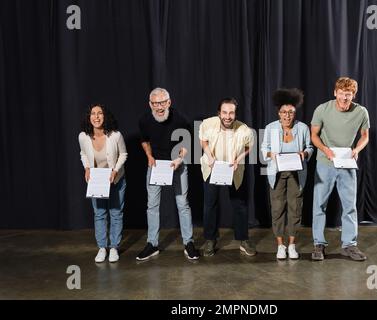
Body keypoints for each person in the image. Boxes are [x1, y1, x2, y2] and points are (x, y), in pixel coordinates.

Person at [136, 88, 200, 261]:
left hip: (176, 163)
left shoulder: (180, 118)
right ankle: (152, 244)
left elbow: (188, 140)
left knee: (182, 203)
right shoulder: (145, 119)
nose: (159, 107)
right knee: (152, 205)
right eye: (155, 103)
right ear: (150, 104)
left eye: (163, 103)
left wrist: (180, 158)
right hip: (156, 165)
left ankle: (189, 243)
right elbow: (144, 140)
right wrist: (149, 156)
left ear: (169, 103)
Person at [310, 77, 370, 261]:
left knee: (350, 206)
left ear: (354, 95)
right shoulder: (322, 109)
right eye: (342, 94)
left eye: (349, 94)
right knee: (319, 205)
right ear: (335, 93)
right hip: (325, 162)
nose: (345, 98)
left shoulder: (361, 112)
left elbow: (365, 136)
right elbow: (314, 135)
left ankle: (349, 245)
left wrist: (357, 150)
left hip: (347, 163)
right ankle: (318, 244)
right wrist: (325, 149)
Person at [261, 88, 314, 260]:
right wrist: (271, 155)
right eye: (284, 112)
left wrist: (304, 154)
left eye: (291, 112)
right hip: (276, 174)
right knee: (277, 209)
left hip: (296, 175)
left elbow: (310, 148)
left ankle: (291, 245)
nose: (287, 116)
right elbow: (264, 149)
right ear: (278, 113)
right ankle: (280, 245)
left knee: (295, 208)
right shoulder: (270, 128)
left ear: (295, 112)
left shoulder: (303, 128)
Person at [199, 97, 256, 257]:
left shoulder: (244, 130)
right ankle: (210, 240)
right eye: (224, 112)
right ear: (219, 113)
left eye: (231, 113)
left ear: (235, 114)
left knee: (240, 205)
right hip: (212, 168)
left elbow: (248, 147)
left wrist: (239, 159)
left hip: (234, 169)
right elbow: (203, 140)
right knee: (210, 205)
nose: (227, 116)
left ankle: (243, 240)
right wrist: (209, 156)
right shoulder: (207, 124)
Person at [79, 104, 127, 263]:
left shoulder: (115, 135)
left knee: (115, 213)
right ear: (89, 117)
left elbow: (123, 154)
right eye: (93, 113)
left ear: (105, 116)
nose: (96, 117)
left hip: (115, 179)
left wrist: (115, 170)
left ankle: (114, 247)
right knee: (99, 214)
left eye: (100, 113)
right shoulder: (83, 136)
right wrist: (86, 168)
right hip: (97, 181)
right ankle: (102, 247)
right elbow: (83, 153)